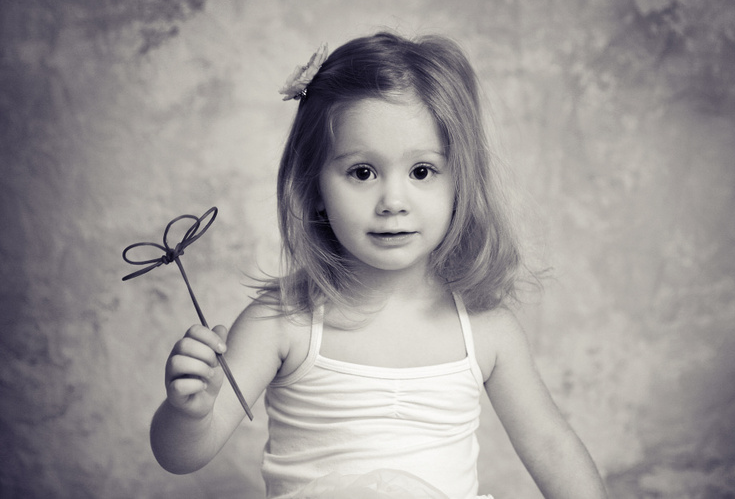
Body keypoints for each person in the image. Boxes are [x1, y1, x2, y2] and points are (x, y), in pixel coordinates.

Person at [150, 31, 608, 499]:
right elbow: (182, 456)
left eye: (422, 171)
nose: (393, 201)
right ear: (314, 188)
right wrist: (189, 412)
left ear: (460, 184)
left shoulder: (487, 328)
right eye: (362, 172)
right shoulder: (282, 321)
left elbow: (551, 447)